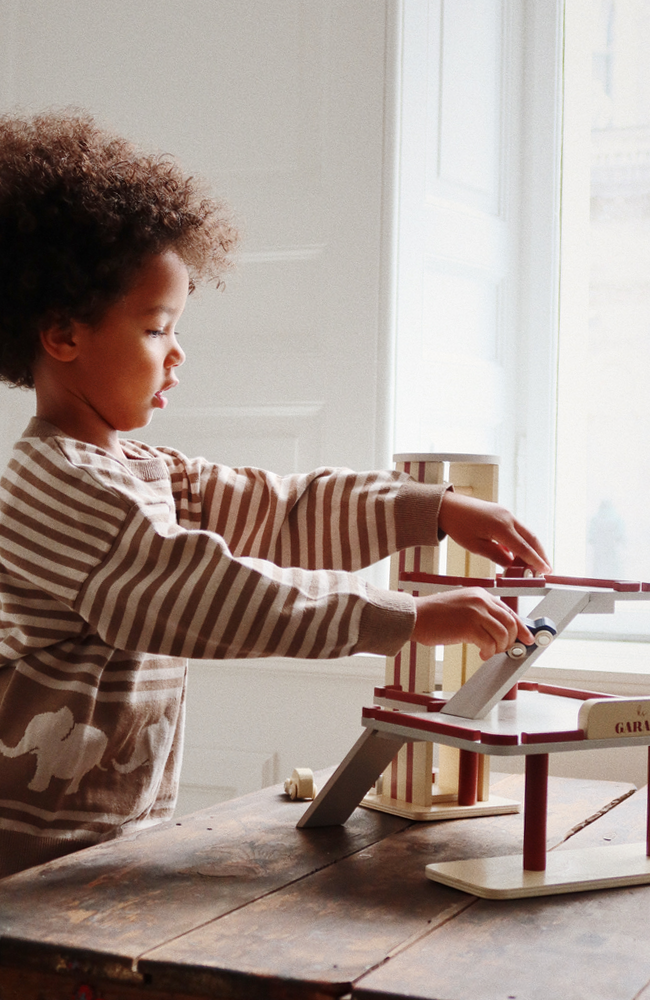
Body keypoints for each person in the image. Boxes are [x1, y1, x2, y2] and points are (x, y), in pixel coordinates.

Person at [0, 111, 550, 877]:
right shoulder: (56, 489)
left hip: (105, 847)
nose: (177, 354)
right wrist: (408, 618)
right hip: (25, 859)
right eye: (157, 329)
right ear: (63, 335)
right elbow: (210, 591)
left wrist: (429, 510)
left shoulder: (142, 471)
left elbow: (282, 510)